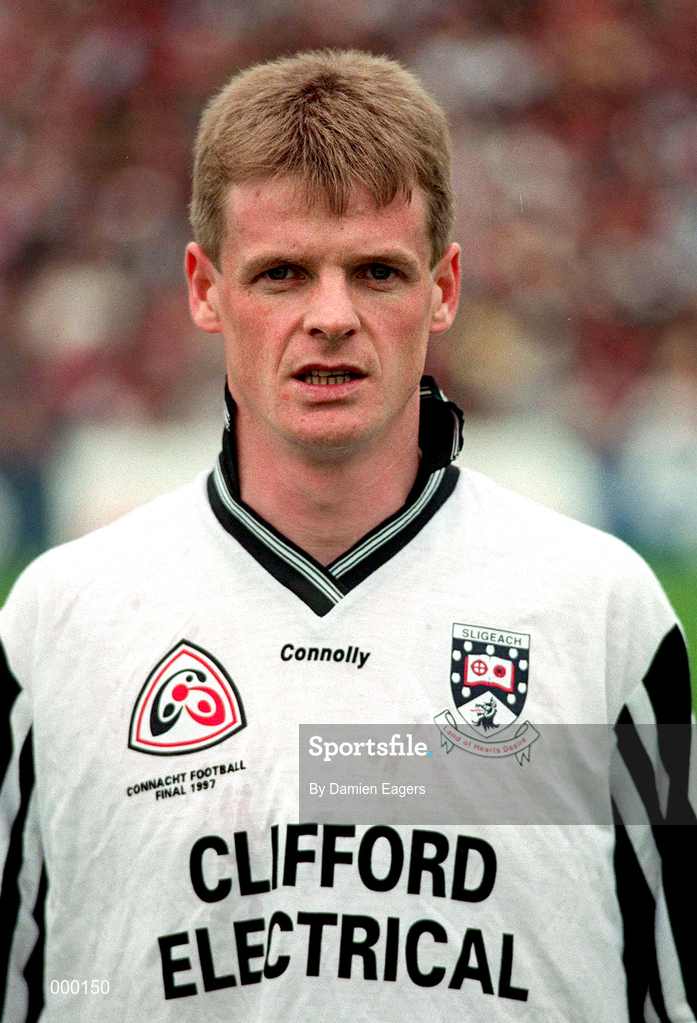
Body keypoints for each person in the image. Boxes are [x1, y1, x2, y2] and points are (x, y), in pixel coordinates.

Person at [0, 48, 694, 1023]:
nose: (331, 318)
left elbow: (674, 982)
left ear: (443, 287)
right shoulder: (56, 622)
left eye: (376, 271)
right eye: (281, 274)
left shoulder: (608, 614)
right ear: (204, 289)